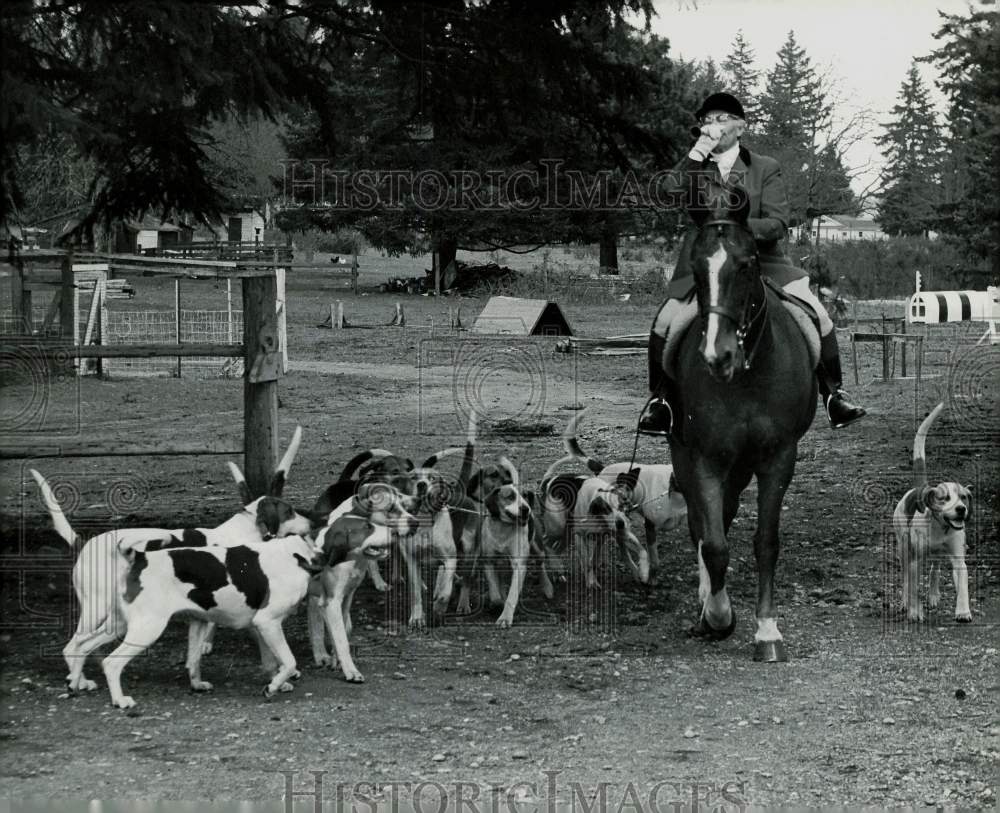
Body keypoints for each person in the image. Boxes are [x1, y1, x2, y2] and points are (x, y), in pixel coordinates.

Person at [639, 92, 866, 436]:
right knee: (664, 322)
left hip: (764, 261)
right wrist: (696, 154)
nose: (713, 126)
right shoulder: (695, 166)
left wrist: (738, 231)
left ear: (741, 126)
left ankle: (834, 393)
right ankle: (661, 402)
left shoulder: (764, 167)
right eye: (707, 120)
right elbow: (668, 193)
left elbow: (777, 222)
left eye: (721, 119)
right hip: (709, 269)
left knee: (817, 314)